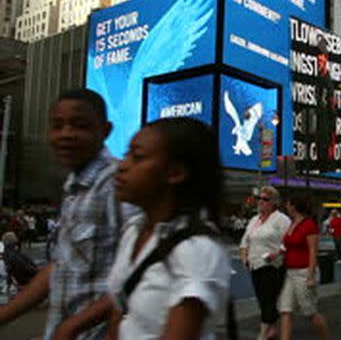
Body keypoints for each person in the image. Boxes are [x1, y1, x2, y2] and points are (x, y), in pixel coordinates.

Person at [0, 89, 136, 340]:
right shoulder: (74, 187)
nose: (66, 135)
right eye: (57, 125)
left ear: (105, 130)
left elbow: (141, 274)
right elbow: (61, 267)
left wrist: (74, 325)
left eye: (80, 125)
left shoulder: (119, 184)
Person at [104, 118, 231, 339]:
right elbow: (121, 313)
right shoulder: (134, 231)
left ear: (176, 173)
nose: (122, 166)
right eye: (126, 154)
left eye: (138, 157)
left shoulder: (197, 250)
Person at [240, 186, 291, 340]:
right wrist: (244, 256)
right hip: (255, 265)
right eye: (259, 199)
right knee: (262, 300)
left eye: (265, 199)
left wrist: (277, 252)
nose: (260, 202)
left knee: (268, 300)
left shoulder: (281, 219)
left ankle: (262, 335)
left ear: (273, 203)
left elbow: (290, 241)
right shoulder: (254, 220)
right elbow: (245, 241)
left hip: (273, 265)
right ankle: (272, 330)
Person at [277, 194, 331, 340]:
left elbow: (313, 251)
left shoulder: (309, 225)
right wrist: (277, 253)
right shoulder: (292, 223)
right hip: (290, 272)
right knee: (285, 309)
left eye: (288, 204)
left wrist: (311, 276)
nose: (286, 207)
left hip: (303, 271)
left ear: (294, 206)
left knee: (310, 312)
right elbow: (288, 245)